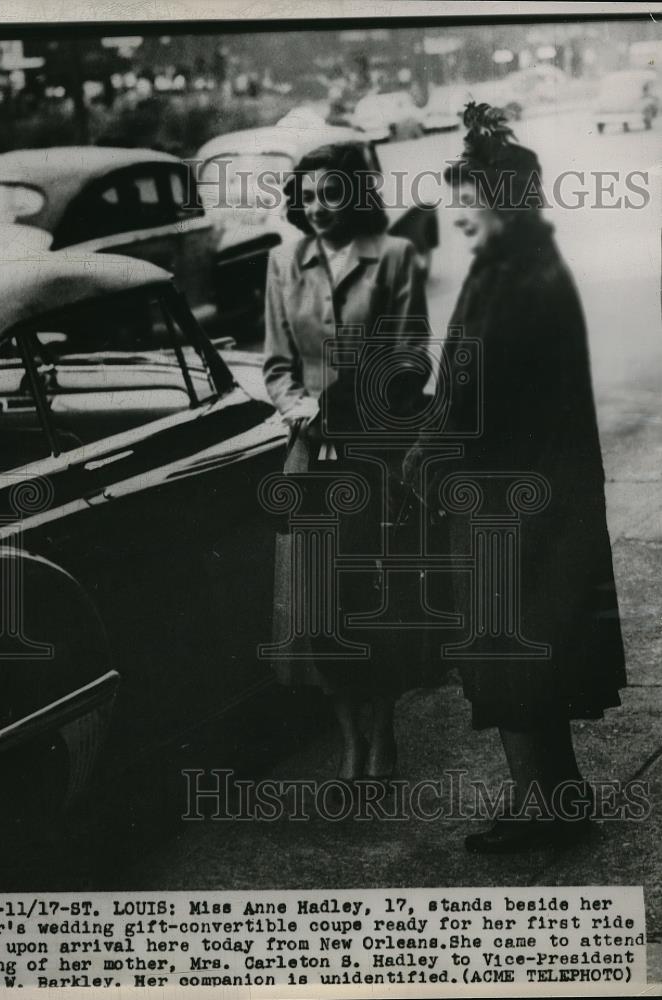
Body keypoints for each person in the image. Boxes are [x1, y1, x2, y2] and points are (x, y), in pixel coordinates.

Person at [404, 103, 626, 851]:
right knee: (526, 654)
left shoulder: (519, 282)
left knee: (516, 655)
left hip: (518, 502)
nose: (458, 221)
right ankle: (555, 799)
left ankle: (543, 809)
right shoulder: (515, 269)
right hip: (525, 495)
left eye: (468, 207)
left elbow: (475, 395)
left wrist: (428, 453)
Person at [263, 142, 431, 782]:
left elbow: (411, 356)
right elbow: (279, 366)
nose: (318, 207)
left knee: (370, 599)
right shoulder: (284, 262)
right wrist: (303, 410)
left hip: (373, 454)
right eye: (307, 197)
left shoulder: (394, 258)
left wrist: (351, 404)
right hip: (311, 456)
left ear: (355, 196)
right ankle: (348, 741)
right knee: (317, 604)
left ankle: (383, 732)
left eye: (331, 193)